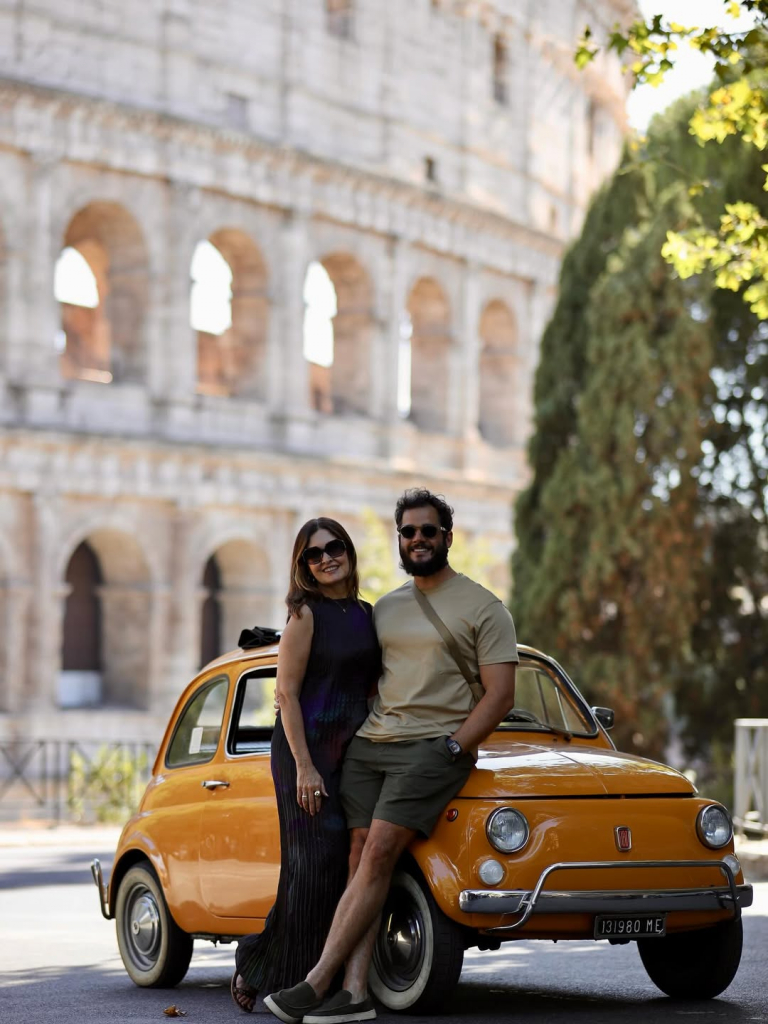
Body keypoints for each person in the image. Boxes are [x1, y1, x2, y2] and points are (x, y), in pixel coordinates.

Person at [264, 488, 518, 1024]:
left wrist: (455, 745)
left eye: (428, 531)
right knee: (357, 857)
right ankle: (355, 993)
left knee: (379, 850)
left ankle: (316, 981)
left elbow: (501, 696)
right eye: (408, 531)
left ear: (447, 537)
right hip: (370, 746)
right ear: (397, 539)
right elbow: (341, 671)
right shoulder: (385, 607)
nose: (418, 539)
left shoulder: (484, 607)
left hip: (432, 750)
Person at [231, 518, 380, 1014]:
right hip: (305, 754)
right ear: (303, 567)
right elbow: (286, 695)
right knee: (308, 869)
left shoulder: (367, 613)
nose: (325, 559)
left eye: (333, 547)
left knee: (342, 869)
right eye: (312, 555)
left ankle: (321, 975)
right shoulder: (304, 614)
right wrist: (305, 767)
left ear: (349, 551)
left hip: (351, 755)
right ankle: (259, 967)